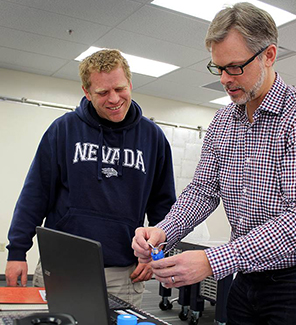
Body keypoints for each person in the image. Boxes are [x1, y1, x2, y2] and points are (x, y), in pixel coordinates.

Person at [132, 2, 296, 324]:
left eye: (234, 67)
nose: (225, 79)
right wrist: (163, 231)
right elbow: (203, 190)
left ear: (269, 55)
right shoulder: (222, 122)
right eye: (218, 68)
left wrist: (213, 261)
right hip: (246, 275)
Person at [5, 49, 176, 307]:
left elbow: (163, 206)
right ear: (86, 92)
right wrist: (17, 252)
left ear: (130, 84)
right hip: (61, 267)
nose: (114, 99)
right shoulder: (63, 130)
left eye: (120, 89)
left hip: (122, 273)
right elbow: (35, 195)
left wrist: (155, 255)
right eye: (103, 93)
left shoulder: (153, 138)